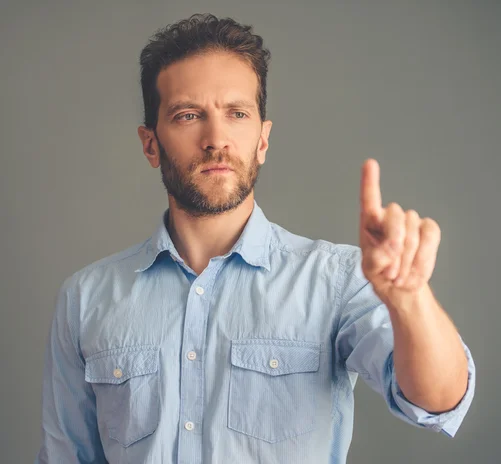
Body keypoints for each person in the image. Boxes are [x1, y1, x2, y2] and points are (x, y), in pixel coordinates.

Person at [36, 13, 475, 464]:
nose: (216, 139)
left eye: (237, 114)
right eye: (188, 115)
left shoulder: (339, 280)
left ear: (262, 140)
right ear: (151, 144)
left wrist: (410, 300)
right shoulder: (84, 299)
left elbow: (437, 402)